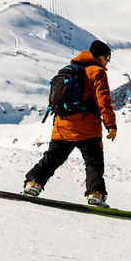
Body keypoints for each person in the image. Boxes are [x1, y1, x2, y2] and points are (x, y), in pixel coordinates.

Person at [23, 40, 118, 206]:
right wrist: (111, 125)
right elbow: (104, 101)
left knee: (52, 158)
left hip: (63, 125)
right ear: (100, 56)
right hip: (87, 128)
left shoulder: (68, 70)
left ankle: (33, 184)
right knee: (93, 162)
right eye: (107, 57)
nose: (108, 61)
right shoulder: (97, 72)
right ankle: (95, 195)